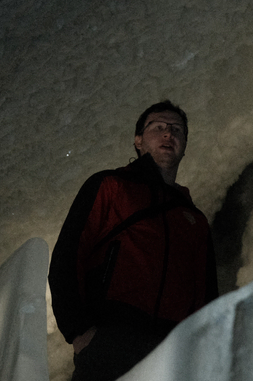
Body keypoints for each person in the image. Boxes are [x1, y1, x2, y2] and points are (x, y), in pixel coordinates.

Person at [49, 101, 218, 381]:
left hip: (170, 351)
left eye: (177, 130)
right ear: (138, 140)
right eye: (159, 127)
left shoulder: (194, 219)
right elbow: (69, 255)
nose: (168, 134)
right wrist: (80, 331)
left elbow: (205, 294)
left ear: (185, 145)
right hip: (111, 337)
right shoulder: (110, 186)